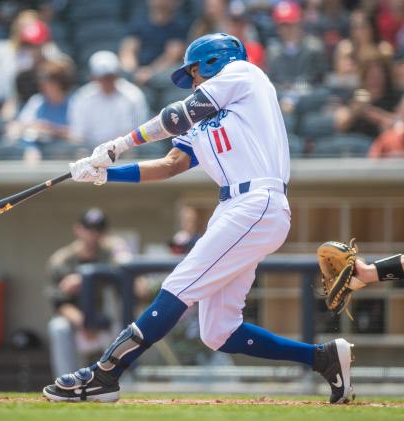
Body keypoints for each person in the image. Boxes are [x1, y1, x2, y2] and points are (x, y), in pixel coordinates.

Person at [42, 33, 354, 404]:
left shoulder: (244, 74)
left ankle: (106, 372)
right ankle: (323, 359)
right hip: (236, 207)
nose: (192, 81)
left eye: (194, 72)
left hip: (257, 200)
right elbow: (170, 165)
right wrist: (104, 174)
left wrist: (119, 144)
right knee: (218, 332)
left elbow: (176, 116)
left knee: (180, 285)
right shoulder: (204, 117)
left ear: (213, 61)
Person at [47, 208, 134, 378]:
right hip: (76, 322)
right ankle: (66, 381)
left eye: (98, 229)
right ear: (78, 229)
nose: (93, 234)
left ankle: (118, 382)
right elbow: (58, 303)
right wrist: (84, 321)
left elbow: (125, 270)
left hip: (106, 323)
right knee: (58, 327)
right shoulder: (62, 259)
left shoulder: (109, 254)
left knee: (125, 329)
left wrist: (82, 278)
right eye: (88, 228)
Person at [69, 51, 148, 148]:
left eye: (110, 77)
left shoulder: (134, 95)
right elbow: (78, 135)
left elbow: (138, 132)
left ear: (117, 74)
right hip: (90, 151)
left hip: (127, 150)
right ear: (93, 77)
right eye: (102, 77)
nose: (106, 81)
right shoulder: (82, 97)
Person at [119, 0, 188, 86]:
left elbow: (171, 56)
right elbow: (127, 51)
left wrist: (150, 72)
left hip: (161, 72)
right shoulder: (138, 24)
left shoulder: (179, 26)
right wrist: (134, 72)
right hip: (137, 72)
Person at [266, 0, 327, 89]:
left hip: (308, 96)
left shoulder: (314, 47)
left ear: (299, 23)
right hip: (281, 97)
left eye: (290, 25)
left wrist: (297, 90)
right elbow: (271, 81)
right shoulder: (273, 50)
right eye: (282, 25)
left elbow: (319, 81)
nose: (285, 30)